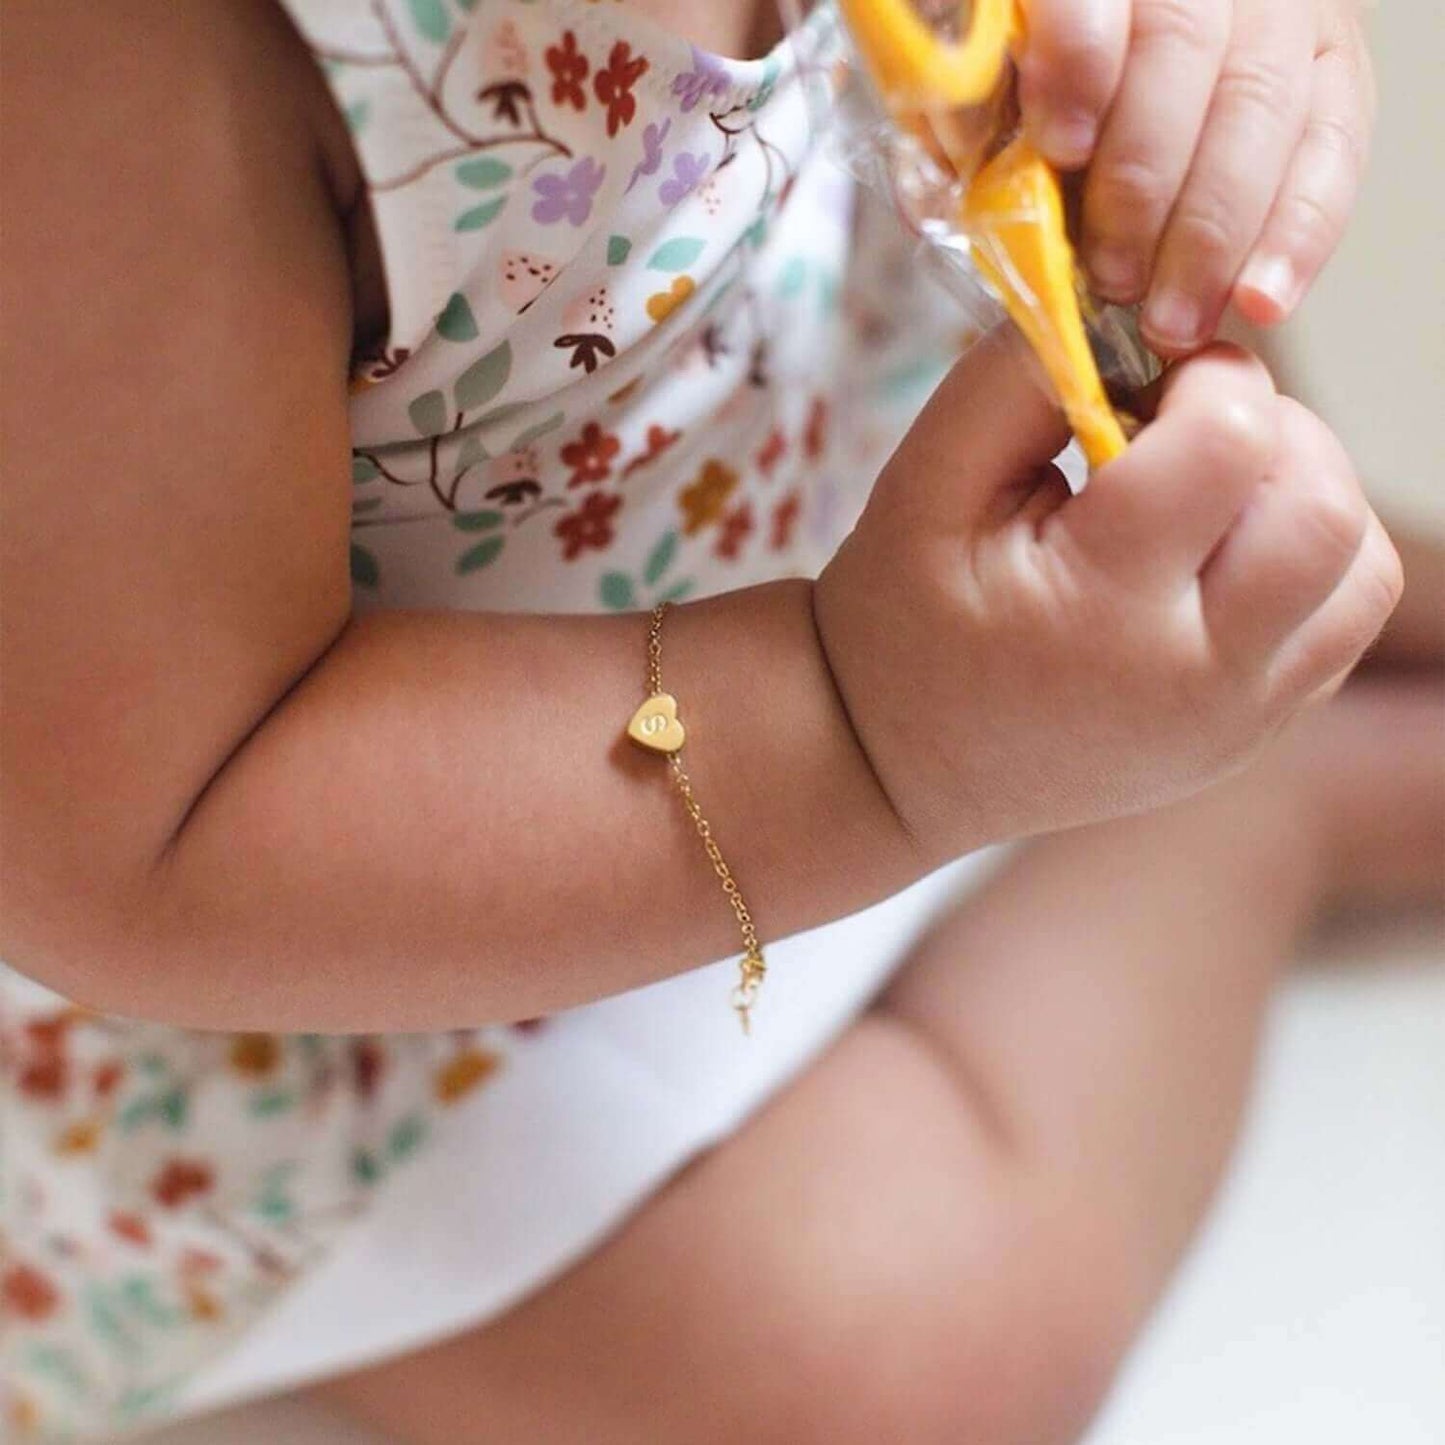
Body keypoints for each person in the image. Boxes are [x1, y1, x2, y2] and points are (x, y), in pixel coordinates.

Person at [2, 1, 1439, 1440]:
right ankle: (1263, 805)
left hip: (845, 405)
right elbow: (158, 827)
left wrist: (1222, 61)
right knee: (868, 1364)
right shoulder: (111, 66)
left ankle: (1254, 578)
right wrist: (858, 732)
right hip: (356, 936)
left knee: (1122, 141)